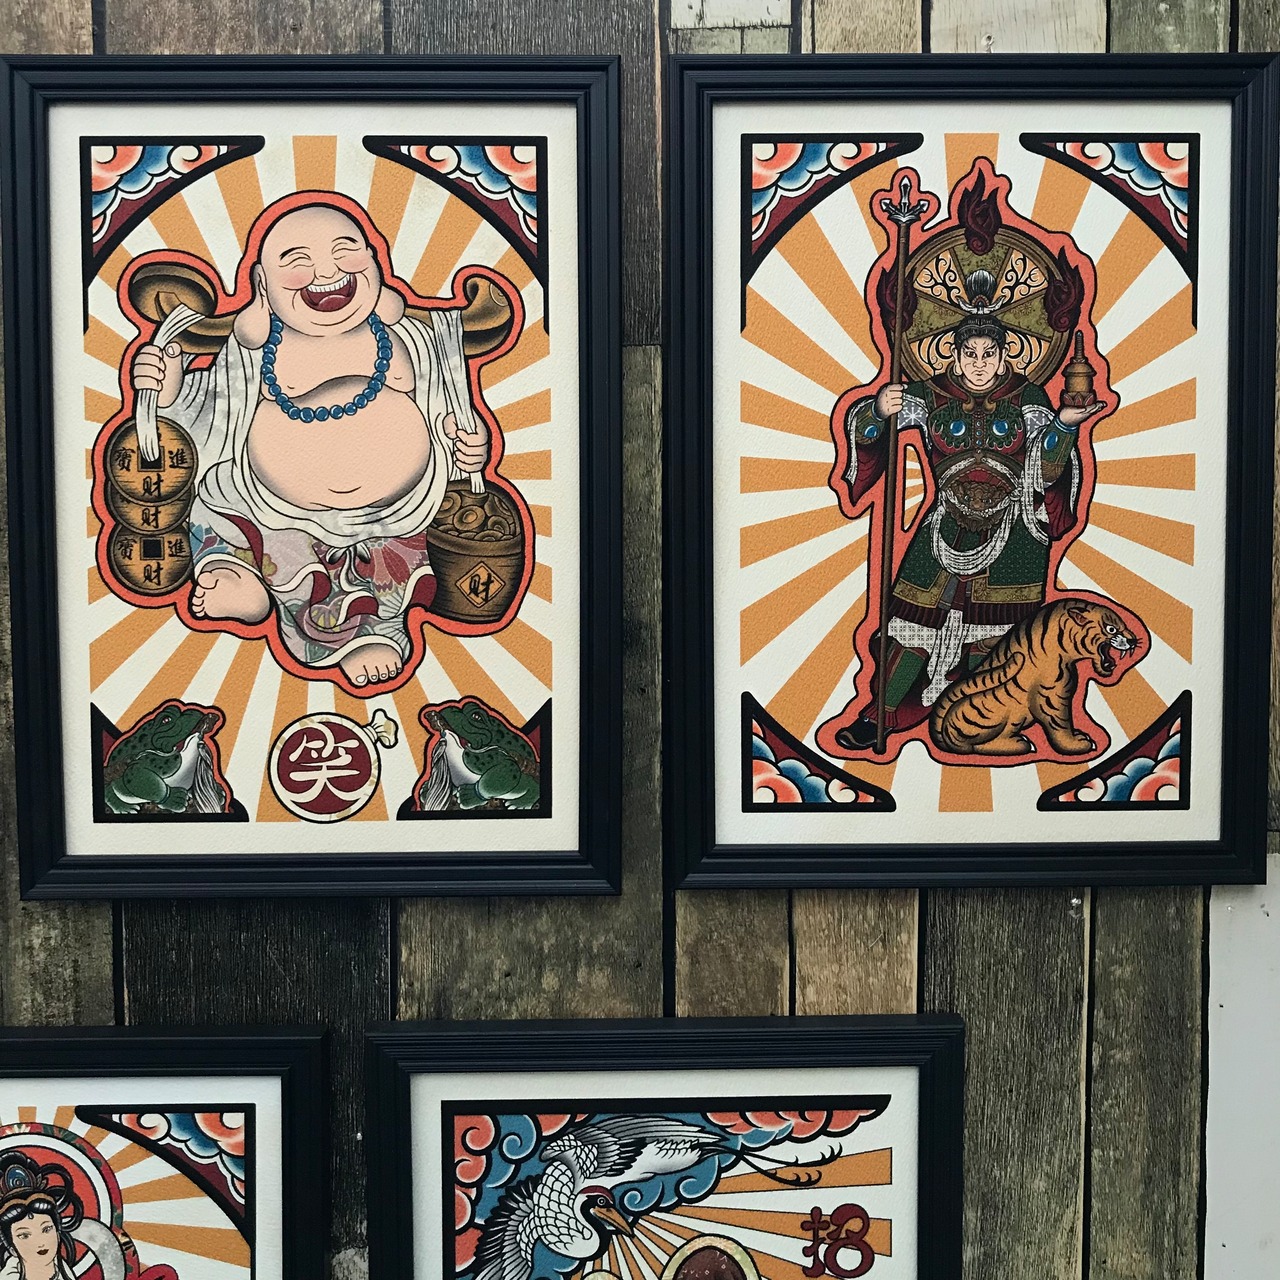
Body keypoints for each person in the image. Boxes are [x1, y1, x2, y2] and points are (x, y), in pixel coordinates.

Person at [129, 194, 513, 688]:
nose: (326, 271)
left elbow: (449, 408)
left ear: (374, 262)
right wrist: (170, 388)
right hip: (275, 511)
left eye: (345, 250)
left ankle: (371, 635)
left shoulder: (412, 339)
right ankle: (242, 579)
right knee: (219, 512)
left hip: (393, 515)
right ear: (263, 285)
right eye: (297, 260)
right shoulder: (255, 353)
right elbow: (209, 414)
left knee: (386, 567)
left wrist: (471, 449)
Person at [832, 291, 1103, 751]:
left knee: (996, 640)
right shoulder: (929, 395)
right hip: (945, 525)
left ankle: (980, 724)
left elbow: (1048, 470)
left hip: (1014, 530)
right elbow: (869, 427)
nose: (980, 364)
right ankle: (883, 714)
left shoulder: (1028, 398)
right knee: (910, 625)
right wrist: (878, 410)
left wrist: (1063, 425)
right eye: (970, 354)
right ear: (954, 356)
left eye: (989, 354)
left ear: (1005, 356)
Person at [0, 1153, 80, 1280]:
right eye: (24, 1235)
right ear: (12, 1249)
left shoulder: (66, 1274)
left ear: (57, 1234)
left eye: (46, 1229)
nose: (40, 1242)